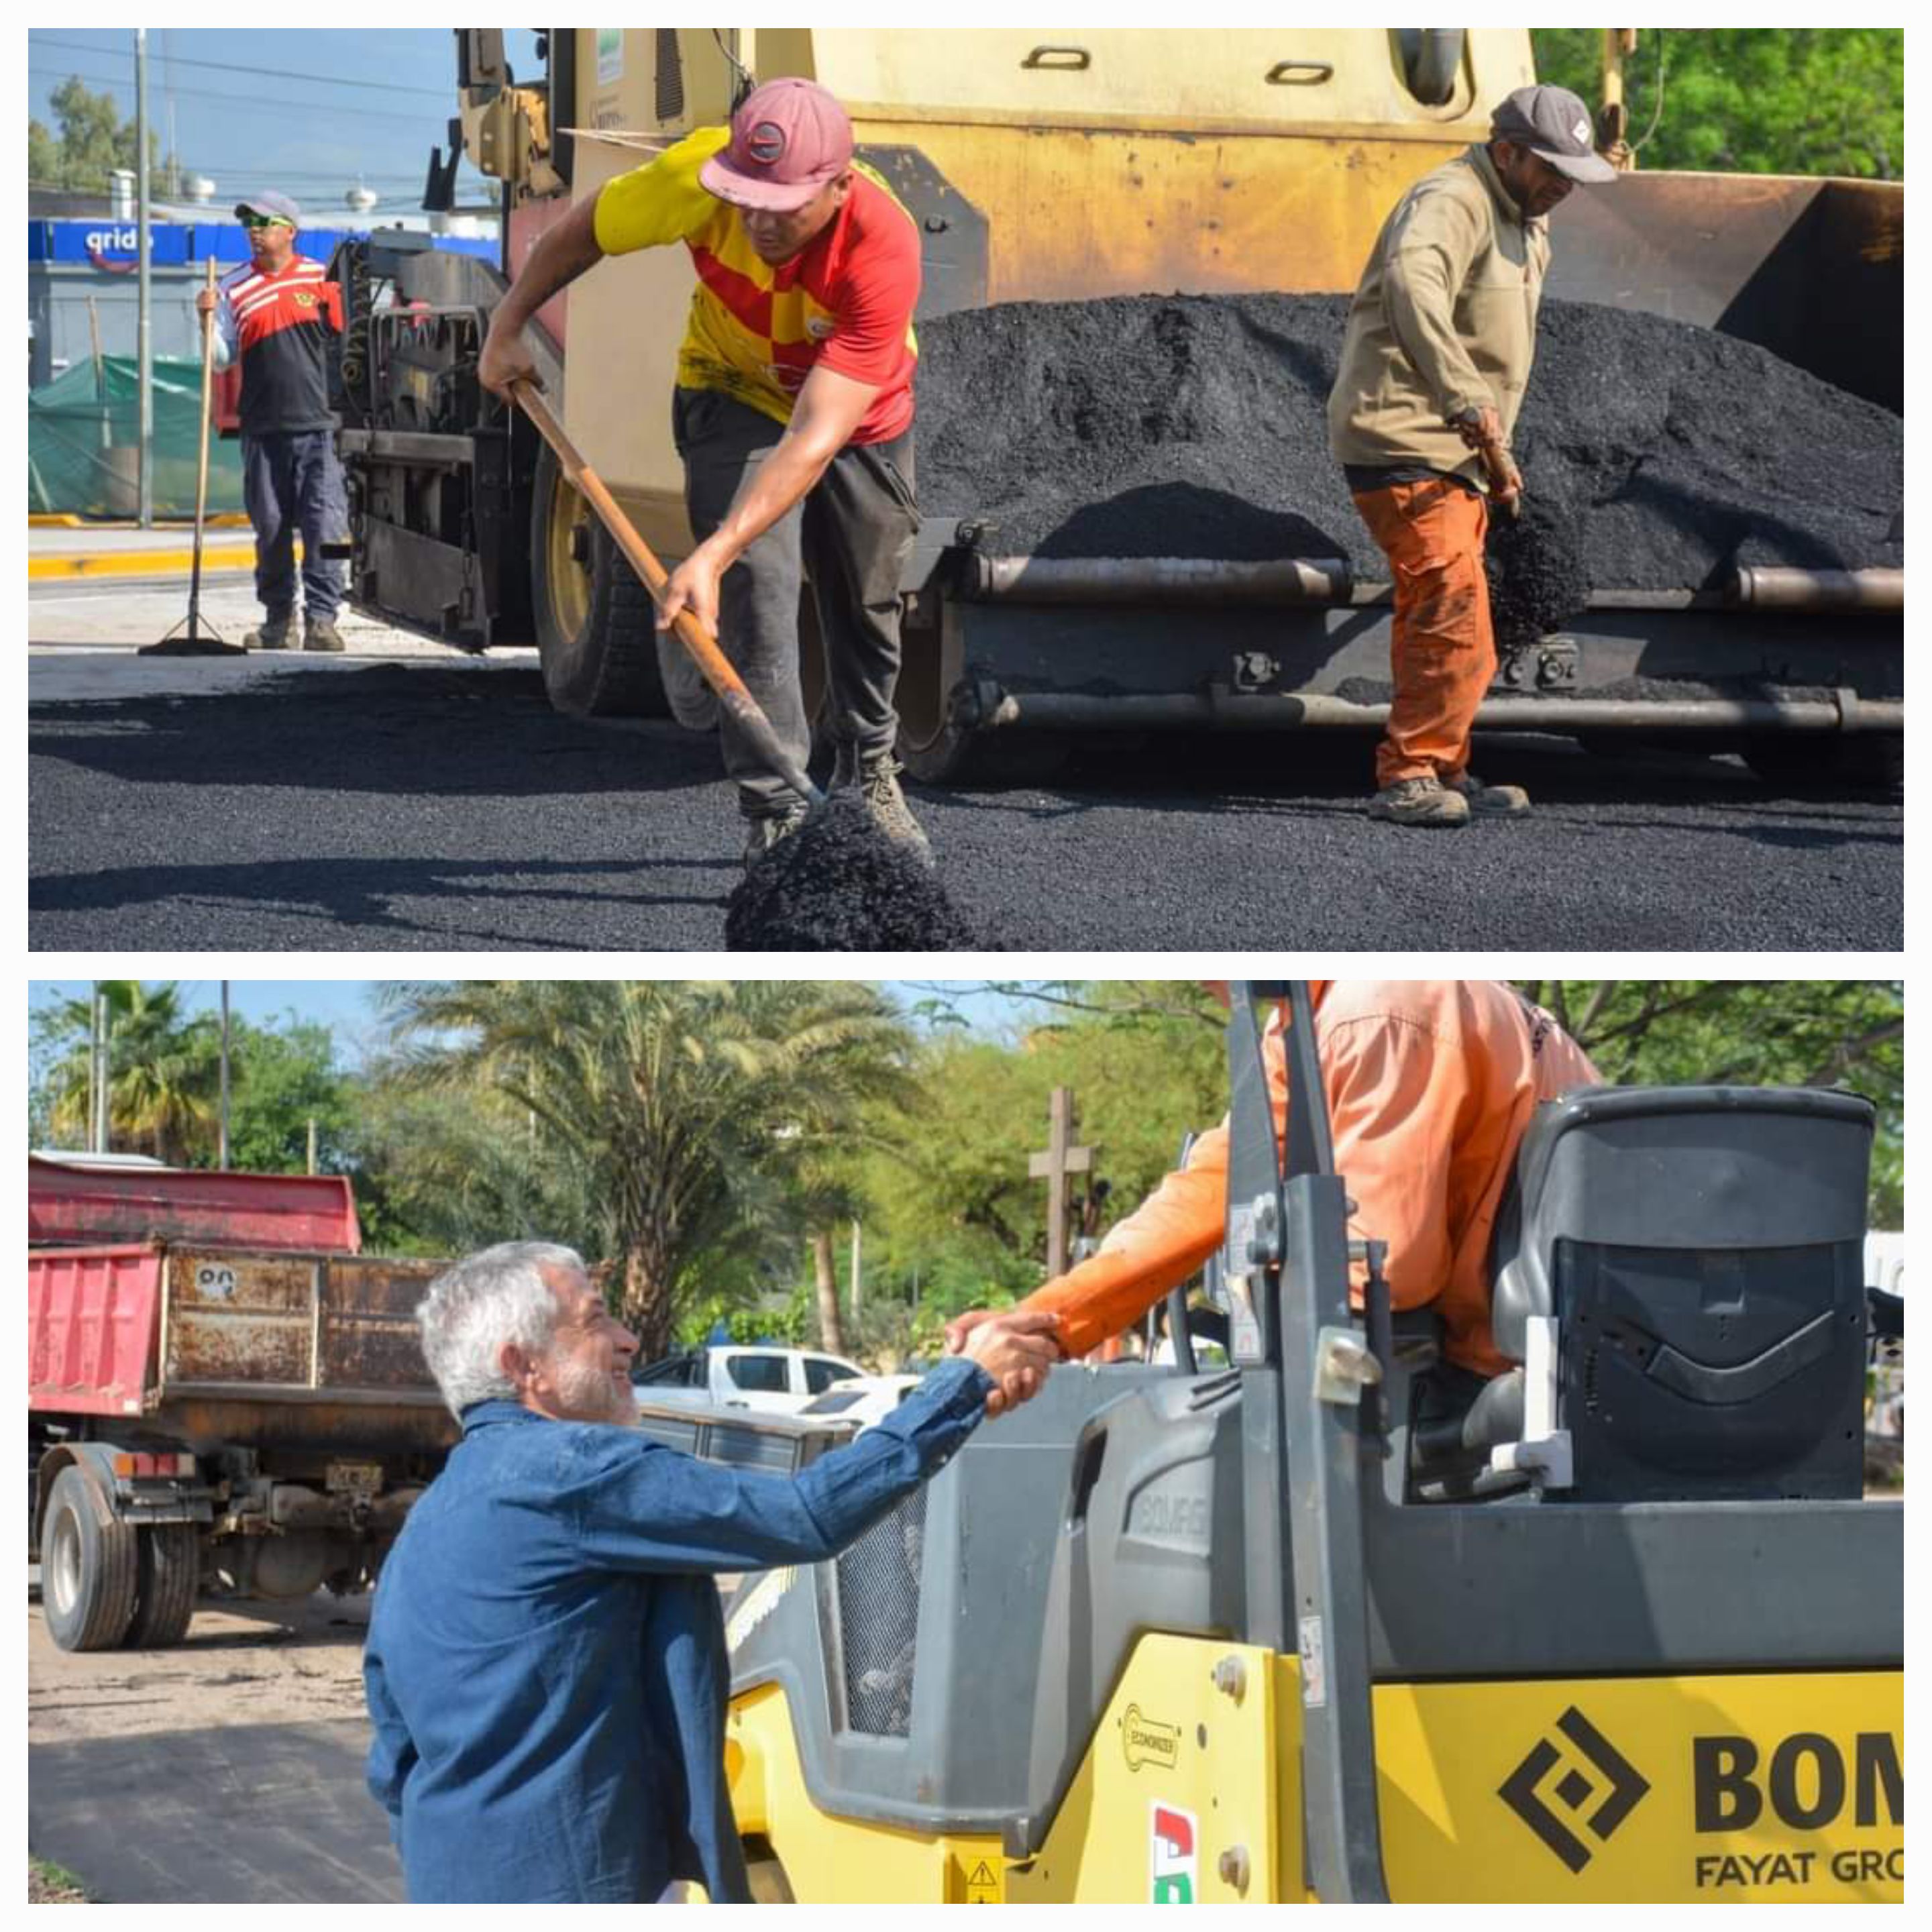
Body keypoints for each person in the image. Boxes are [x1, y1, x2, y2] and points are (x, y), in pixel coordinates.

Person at [364, 1240, 1057, 1903]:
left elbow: (394, 1762)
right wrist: (961, 1387)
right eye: (595, 1319)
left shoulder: (427, 1526)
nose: (630, 1339)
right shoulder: (572, 1471)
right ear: (524, 1367)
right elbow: (805, 1514)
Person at [477, 78, 928, 866]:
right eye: (745, 197)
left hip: (858, 413)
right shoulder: (695, 178)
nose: (756, 220)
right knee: (758, 584)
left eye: (782, 207)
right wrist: (508, 323)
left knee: (867, 594)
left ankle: (871, 771)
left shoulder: (881, 244)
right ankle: (777, 810)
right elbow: (584, 232)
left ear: (838, 186)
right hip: (730, 386)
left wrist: (707, 553)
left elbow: (817, 436)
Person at [948, 981, 1601, 1405]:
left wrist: (1261, 1285)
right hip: (1521, 1335)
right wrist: (1047, 1320)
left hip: (1542, 1366)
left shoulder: (1377, 1012)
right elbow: (1216, 1185)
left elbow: (1383, 1268)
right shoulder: (1313, 1018)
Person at [1327, 86, 1618, 826]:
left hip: (1463, 450)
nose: (1564, 186)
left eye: (1574, 174)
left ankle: (1446, 766)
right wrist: (1462, 397)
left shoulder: (1527, 215)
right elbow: (1411, 282)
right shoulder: (1452, 198)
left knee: (1466, 619)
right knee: (1449, 603)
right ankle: (1411, 776)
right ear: (1507, 151)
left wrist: (1494, 449)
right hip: (1407, 438)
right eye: (1551, 168)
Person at [197, 191, 350, 653]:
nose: (255, 231)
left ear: (291, 230)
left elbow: (346, 343)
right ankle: (278, 621)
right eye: (249, 223)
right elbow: (222, 360)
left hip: (320, 426)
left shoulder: (320, 278)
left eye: (264, 222)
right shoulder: (233, 286)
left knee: (326, 527)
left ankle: (322, 621)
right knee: (271, 527)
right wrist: (205, 322)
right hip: (262, 427)